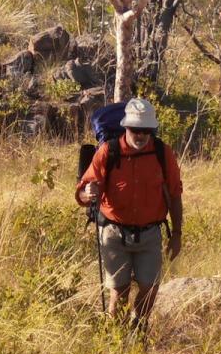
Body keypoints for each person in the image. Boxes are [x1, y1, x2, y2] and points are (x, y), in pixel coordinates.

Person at [77, 98, 183, 329]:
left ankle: (139, 328)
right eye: (136, 129)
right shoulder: (108, 152)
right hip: (114, 234)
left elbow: (175, 194)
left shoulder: (162, 153)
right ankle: (116, 336)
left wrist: (177, 234)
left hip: (150, 235)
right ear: (126, 127)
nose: (141, 135)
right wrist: (88, 192)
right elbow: (83, 196)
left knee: (150, 286)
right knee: (119, 291)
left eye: (146, 130)